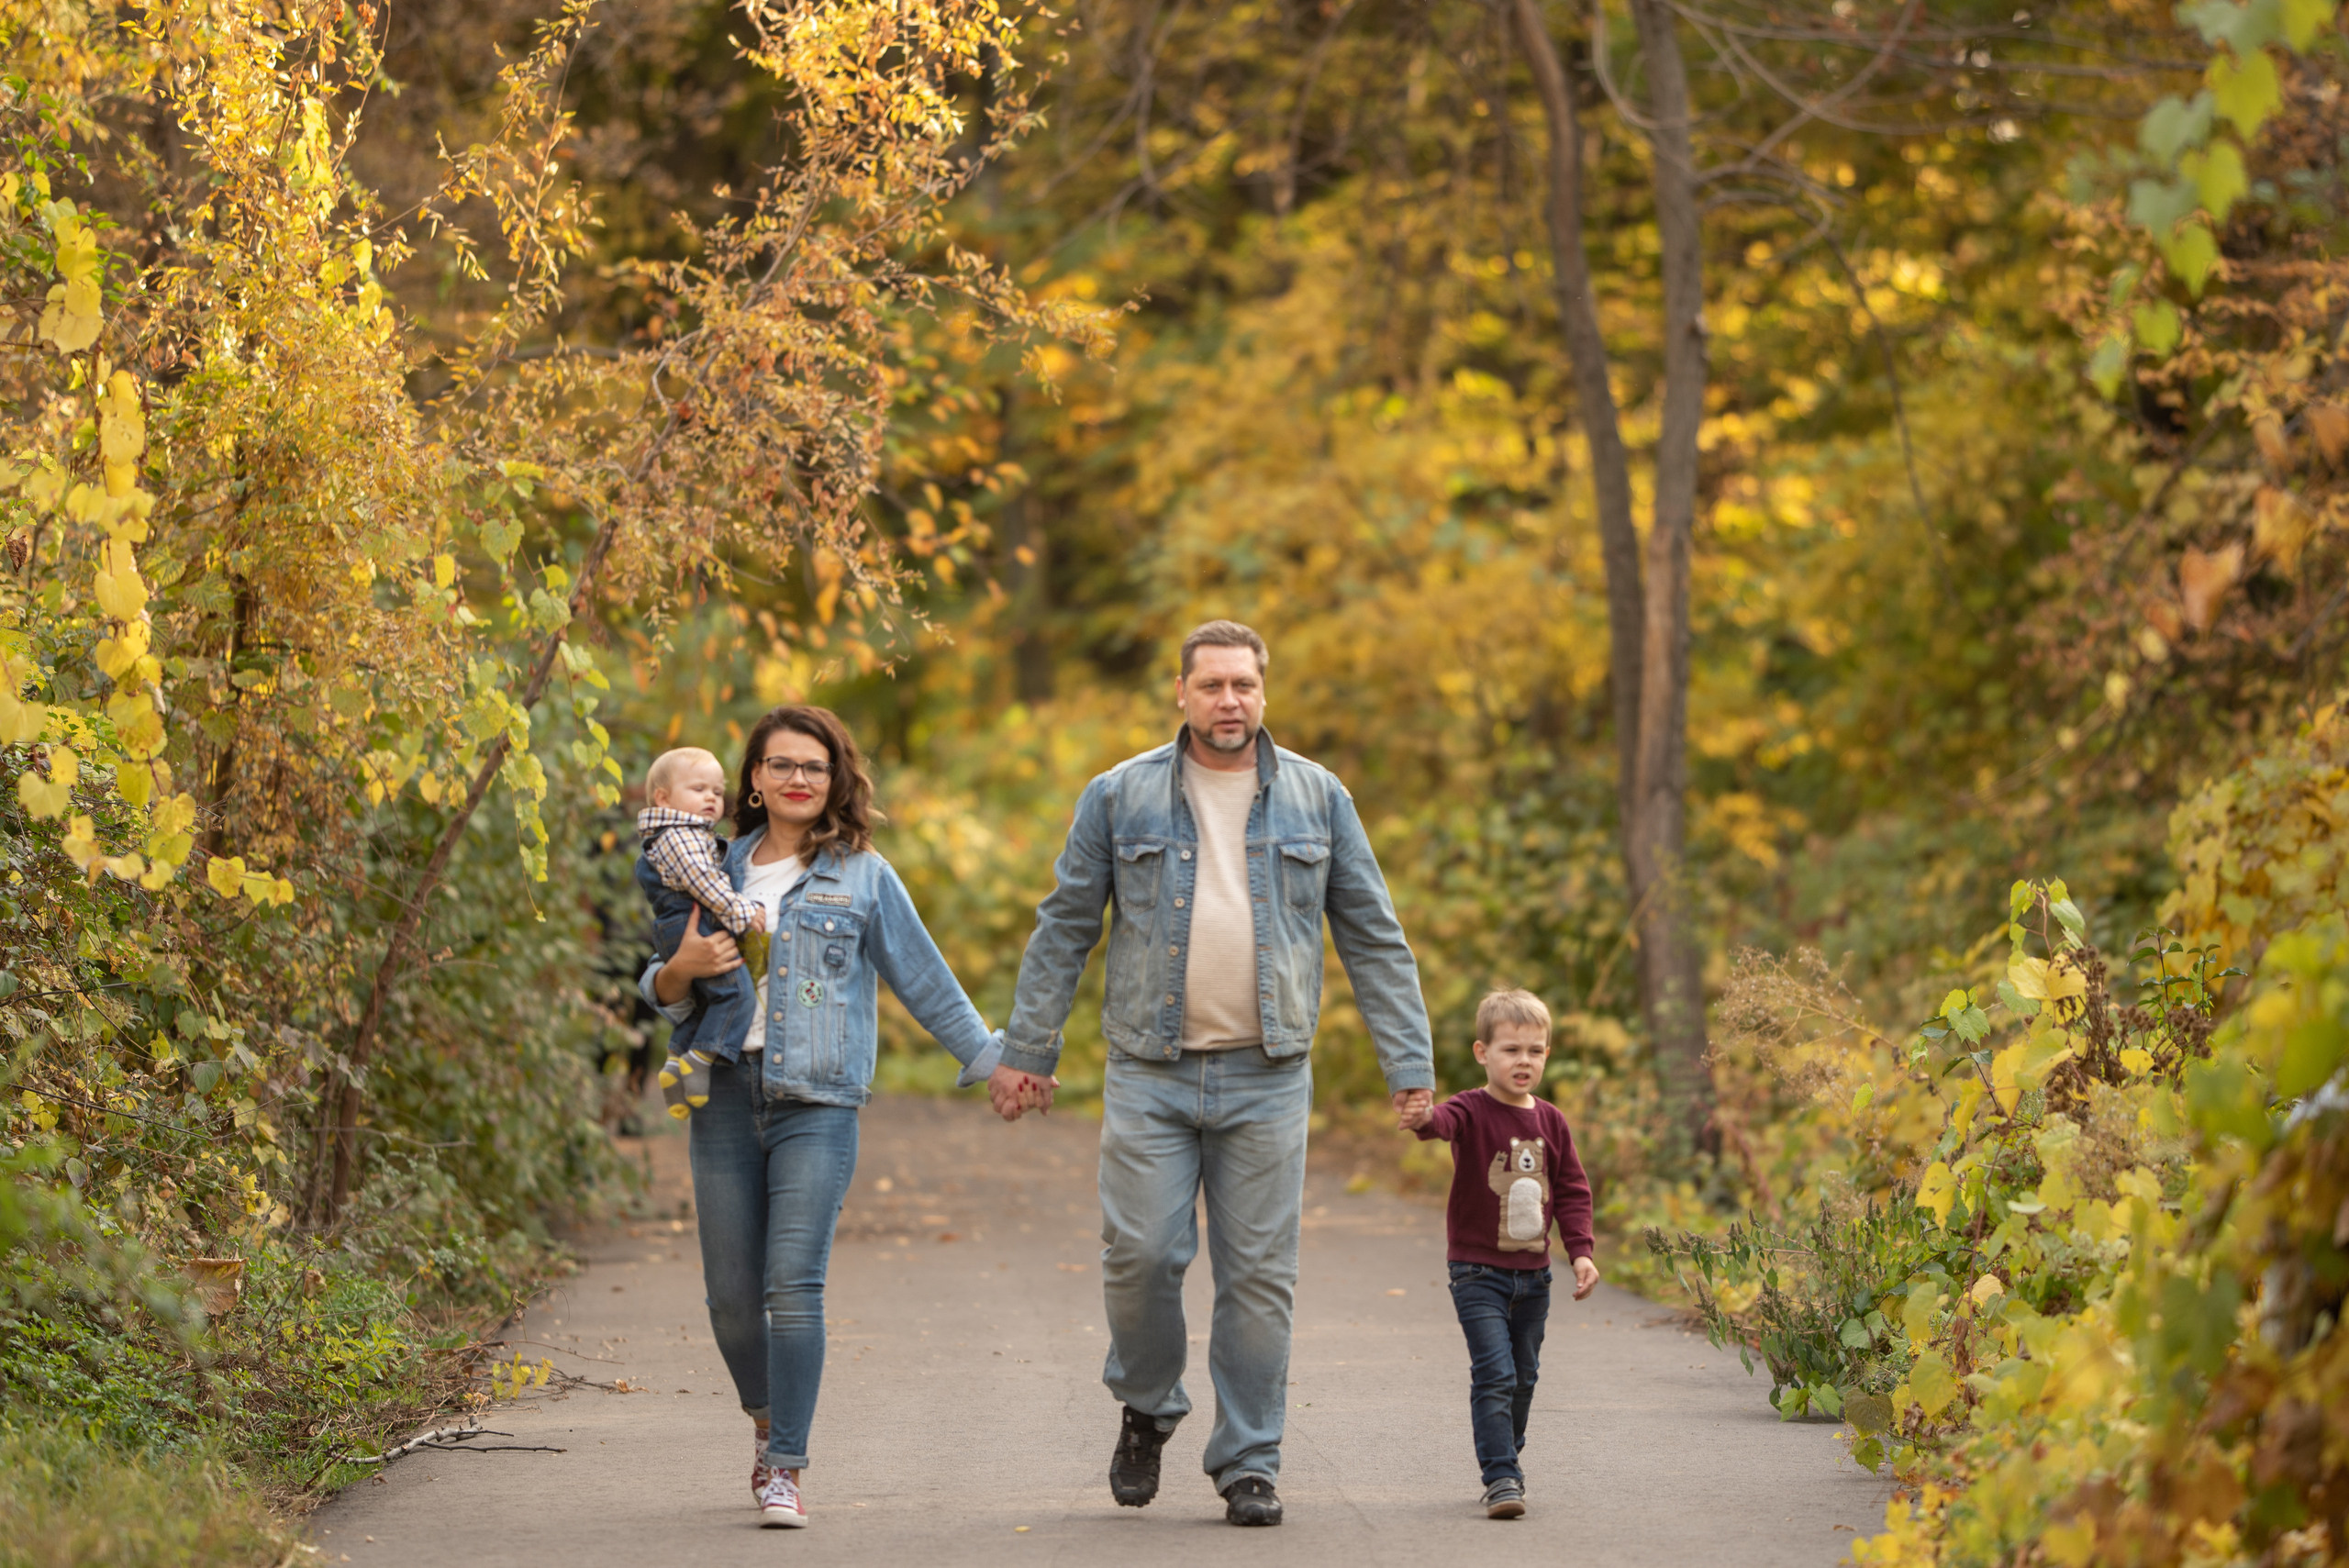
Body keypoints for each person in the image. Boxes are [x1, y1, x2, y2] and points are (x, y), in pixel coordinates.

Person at [994, 619, 1436, 1527]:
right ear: (1182, 694)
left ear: (1262, 692)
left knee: (1259, 1274)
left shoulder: (1319, 797)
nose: (1227, 700)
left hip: (1268, 1076)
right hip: (1150, 1073)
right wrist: (1028, 1052)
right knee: (1142, 1254)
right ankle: (1149, 1401)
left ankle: (1248, 1460)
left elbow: (1375, 938)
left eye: (1243, 685)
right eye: (1211, 686)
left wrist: (1409, 1065)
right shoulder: (1119, 796)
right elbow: (1064, 927)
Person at [640, 705, 1051, 1528]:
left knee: (793, 1286)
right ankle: (765, 1418)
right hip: (721, 1098)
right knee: (730, 1297)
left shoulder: (862, 875)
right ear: (752, 778)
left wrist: (995, 1062)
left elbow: (924, 978)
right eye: (781, 764)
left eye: (814, 767)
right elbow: (654, 983)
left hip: (818, 1106)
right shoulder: (700, 861)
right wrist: (678, 970)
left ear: (835, 781)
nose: (798, 778)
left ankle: (786, 1463)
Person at [1397, 988, 1598, 1520]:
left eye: (1535, 1050)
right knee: (1495, 1373)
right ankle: (1502, 1476)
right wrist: (1420, 1116)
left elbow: (1573, 1189)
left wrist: (1580, 1252)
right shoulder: (1471, 1107)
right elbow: (1440, 1124)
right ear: (1483, 1052)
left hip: (1534, 1277)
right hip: (1476, 1271)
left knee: (1524, 1377)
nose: (1524, 1061)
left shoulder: (1552, 1122)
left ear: (1547, 1055)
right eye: (1511, 1050)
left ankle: (1505, 1449)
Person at [633, 746, 769, 1118]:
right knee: (738, 996)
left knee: (708, 1003)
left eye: (716, 790)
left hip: (678, 927)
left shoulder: (676, 833)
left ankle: (676, 1062)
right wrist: (741, 910)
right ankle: (700, 1059)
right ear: (663, 797)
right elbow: (704, 881)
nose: (711, 797)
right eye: (698, 789)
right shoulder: (682, 836)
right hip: (693, 925)